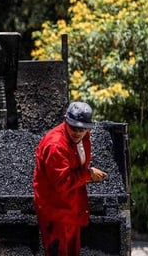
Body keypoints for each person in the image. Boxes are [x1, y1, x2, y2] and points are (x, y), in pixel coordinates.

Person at [33, 101, 108, 255]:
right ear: (65, 120)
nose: (77, 132)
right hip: (56, 211)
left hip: (71, 207)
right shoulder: (55, 145)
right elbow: (62, 182)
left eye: (82, 129)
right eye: (73, 127)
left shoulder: (82, 137)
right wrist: (88, 174)